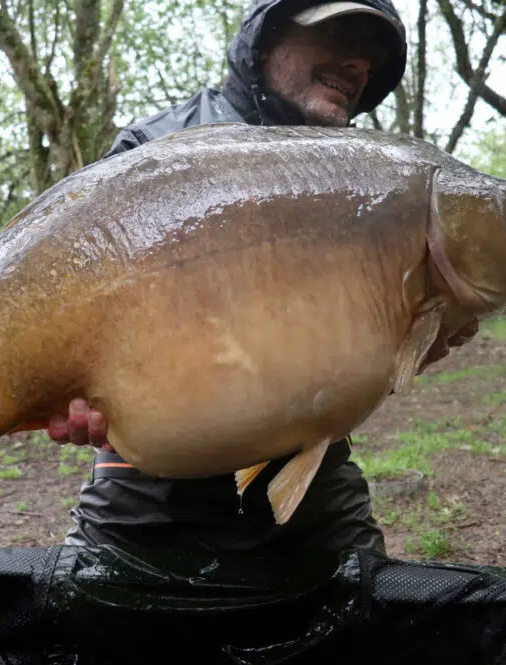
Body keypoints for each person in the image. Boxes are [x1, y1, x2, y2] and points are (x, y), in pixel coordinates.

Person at [48, 0, 479, 557]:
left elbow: (355, 353)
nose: (359, 64)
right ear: (267, 37)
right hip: (145, 492)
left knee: (368, 616)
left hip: (312, 473)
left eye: (372, 54)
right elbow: (72, 298)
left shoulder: (373, 182)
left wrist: (416, 338)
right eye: (340, 33)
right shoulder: (150, 151)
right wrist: (67, 389)